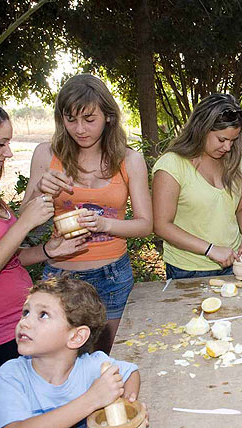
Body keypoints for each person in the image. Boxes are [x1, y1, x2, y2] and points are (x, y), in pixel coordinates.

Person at [22, 74, 153, 354]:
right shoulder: (47, 154)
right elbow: (22, 226)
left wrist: (105, 223)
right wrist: (38, 191)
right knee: (59, 361)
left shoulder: (130, 160)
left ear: (108, 116)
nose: (79, 129)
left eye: (89, 119)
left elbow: (145, 225)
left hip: (113, 275)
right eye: (71, 119)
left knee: (108, 358)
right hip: (60, 275)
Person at [0, 95, 86, 393]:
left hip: (22, 320)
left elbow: (6, 258)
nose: (9, 153)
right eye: (1, 144)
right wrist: (24, 223)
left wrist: (48, 250)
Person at [0, 275, 147, 428]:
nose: (25, 322)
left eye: (43, 315)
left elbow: (131, 373)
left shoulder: (94, 365)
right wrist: (92, 400)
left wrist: (126, 411)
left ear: (77, 337)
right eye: (26, 312)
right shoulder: (11, 376)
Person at [153, 94, 242, 279]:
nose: (227, 147)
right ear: (201, 129)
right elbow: (162, 225)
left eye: (233, 141)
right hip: (187, 269)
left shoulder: (234, 161)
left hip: (233, 264)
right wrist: (210, 250)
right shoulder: (172, 165)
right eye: (221, 139)